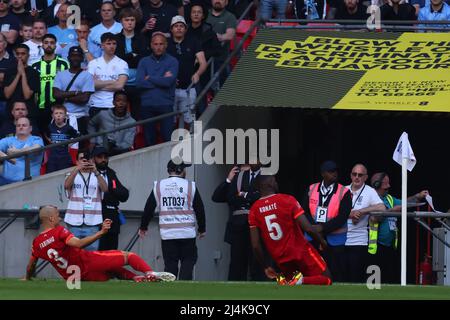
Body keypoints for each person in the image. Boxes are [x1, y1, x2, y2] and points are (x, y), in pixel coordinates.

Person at [24, 205, 176, 282]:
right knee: (128, 256)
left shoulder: (37, 242)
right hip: (87, 263)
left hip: (75, 277)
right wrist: (101, 232)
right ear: (51, 219)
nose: (59, 217)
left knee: (113, 269)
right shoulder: (59, 231)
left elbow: (31, 265)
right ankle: (151, 273)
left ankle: (137, 279)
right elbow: (78, 244)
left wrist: (27, 278)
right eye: (57, 215)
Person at [249, 175, 332, 285]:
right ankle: (299, 281)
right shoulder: (287, 200)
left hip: (280, 258)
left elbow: (255, 245)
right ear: (269, 184)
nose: (276, 183)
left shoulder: (254, 209)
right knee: (327, 279)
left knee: (295, 287)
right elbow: (308, 228)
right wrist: (323, 242)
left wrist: (266, 266)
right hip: (300, 251)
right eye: (274, 181)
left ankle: (291, 281)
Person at [139, 158, 206, 280]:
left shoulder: (158, 186)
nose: (185, 170)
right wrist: (202, 228)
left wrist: (143, 227)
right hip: (187, 234)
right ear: (180, 170)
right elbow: (200, 209)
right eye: (184, 168)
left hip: (168, 234)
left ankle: (170, 293)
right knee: (188, 261)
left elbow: (148, 208)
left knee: (170, 265)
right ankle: (184, 290)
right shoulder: (190, 186)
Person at [369, 172, 429, 283]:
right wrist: (391, 211)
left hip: (390, 247)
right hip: (375, 248)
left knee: (389, 279)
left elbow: (405, 203)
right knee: (375, 282)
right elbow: (375, 218)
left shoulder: (390, 198)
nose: (388, 187)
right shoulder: (370, 198)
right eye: (385, 184)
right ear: (377, 185)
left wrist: (418, 196)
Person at [300, 160, 352, 282]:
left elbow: (342, 217)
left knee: (335, 272)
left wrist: (322, 228)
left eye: (335, 171)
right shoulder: (311, 188)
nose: (334, 174)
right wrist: (313, 227)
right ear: (323, 174)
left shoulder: (344, 192)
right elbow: (304, 211)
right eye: (330, 171)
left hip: (335, 240)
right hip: (312, 237)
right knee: (311, 269)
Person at [343, 163, 385, 283]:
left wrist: (361, 212)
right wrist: (350, 214)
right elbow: (332, 211)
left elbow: (382, 207)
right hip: (340, 240)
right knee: (340, 279)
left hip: (359, 241)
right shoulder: (343, 189)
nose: (357, 177)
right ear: (350, 175)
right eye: (354, 174)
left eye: (360, 175)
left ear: (366, 177)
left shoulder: (369, 191)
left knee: (355, 278)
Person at [136, 32, 178, 146]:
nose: (158, 47)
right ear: (151, 45)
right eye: (155, 44)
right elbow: (139, 83)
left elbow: (168, 82)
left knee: (168, 139)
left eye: (161, 44)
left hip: (165, 104)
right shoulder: (144, 61)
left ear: (166, 45)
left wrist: (149, 78)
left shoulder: (173, 61)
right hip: (147, 105)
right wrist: (161, 80)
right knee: (149, 140)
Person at [226, 161, 266, 281]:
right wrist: (251, 196)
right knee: (237, 261)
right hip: (239, 225)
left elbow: (263, 197)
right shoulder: (239, 176)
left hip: (258, 224)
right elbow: (231, 198)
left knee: (256, 260)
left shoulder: (267, 177)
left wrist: (244, 195)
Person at [167, 15, 207, 129]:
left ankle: (191, 143)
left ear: (185, 29)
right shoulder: (165, 44)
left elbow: (203, 63)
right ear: (171, 29)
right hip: (171, 89)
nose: (179, 28)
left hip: (189, 88)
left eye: (181, 26)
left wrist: (197, 73)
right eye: (176, 26)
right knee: (171, 120)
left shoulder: (193, 41)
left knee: (190, 120)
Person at [63, 149, 108, 251]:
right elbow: (66, 186)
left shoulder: (99, 175)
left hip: (92, 222)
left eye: (87, 159)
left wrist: (96, 171)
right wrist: (76, 169)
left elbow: (105, 189)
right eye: (81, 159)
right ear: (77, 161)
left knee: (91, 255)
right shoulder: (71, 175)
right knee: (72, 253)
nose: (85, 161)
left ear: (92, 160)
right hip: (73, 221)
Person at [92, 146, 130, 250]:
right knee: (97, 252)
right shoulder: (89, 173)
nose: (103, 160)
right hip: (96, 217)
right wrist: (112, 191)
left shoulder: (111, 173)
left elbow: (124, 195)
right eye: (100, 157)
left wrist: (112, 190)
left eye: (105, 157)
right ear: (93, 159)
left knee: (112, 252)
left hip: (112, 217)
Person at [53, 46, 95, 136]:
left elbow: (84, 99)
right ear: (68, 58)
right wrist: (75, 93)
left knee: (79, 147)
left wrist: (64, 96)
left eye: (78, 55)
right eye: (73, 55)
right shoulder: (60, 74)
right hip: (62, 117)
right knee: (62, 145)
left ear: (82, 58)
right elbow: (56, 94)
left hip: (80, 117)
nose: (75, 58)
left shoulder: (87, 76)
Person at [32, 33, 69, 134]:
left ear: (55, 46)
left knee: (59, 135)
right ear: (42, 45)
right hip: (41, 107)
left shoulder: (63, 63)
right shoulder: (35, 65)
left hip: (59, 107)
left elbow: (68, 84)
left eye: (52, 43)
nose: (49, 45)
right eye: (46, 42)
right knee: (43, 134)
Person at [115, 7, 148, 120]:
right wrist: (132, 55)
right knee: (118, 117)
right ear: (121, 21)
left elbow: (142, 60)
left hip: (137, 84)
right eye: (126, 20)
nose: (129, 22)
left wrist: (127, 57)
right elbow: (118, 59)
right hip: (119, 83)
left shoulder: (142, 38)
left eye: (132, 20)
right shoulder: (116, 39)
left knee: (137, 116)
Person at [87, 32, 129, 118]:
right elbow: (89, 85)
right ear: (102, 46)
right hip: (95, 104)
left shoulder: (122, 63)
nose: (112, 46)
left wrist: (99, 84)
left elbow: (120, 86)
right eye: (108, 43)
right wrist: (112, 81)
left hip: (114, 106)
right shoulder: (93, 63)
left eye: (114, 43)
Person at [88, 91, 136, 155]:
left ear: (127, 103)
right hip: (101, 149)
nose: (121, 103)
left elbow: (128, 143)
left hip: (120, 152)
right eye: (118, 100)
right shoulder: (103, 114)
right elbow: (91, 124)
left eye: (124, 101)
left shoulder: (131, 122)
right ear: (113, 102)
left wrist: (114, 146)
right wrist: (94, 140)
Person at [0, 117, 44, 186]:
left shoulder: (36, 139)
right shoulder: (8, 140)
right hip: (5, 182)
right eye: (18, 125)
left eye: (24, 125)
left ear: (30, 128)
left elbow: (37, 148)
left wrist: (16, 152)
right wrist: (8, 158)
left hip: (28, 182)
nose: (21, 127)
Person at [206, 0, 236, 88]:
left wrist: (215, 37)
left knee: (223, 83)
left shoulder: (230, 17)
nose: (218, 1)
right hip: (203, 57)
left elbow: (230, 35)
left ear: (226, 2)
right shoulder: (204, 14)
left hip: (221, 58)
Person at [3, 44, 40, 118]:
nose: (20, 56)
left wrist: (23, 74)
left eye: (23, 54)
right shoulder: (9, 72)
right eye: (17, 54)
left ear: (28, 55)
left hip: (29, 111)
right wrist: (18, 74)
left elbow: (27, 95)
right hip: (11, 112)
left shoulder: (34, 73)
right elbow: (7, 95)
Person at [45, 105, 80, 173]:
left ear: (65, 116)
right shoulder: (50, 127)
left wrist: (70, 144)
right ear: (53, 116)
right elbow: (45, 134)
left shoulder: (68, 128)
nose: (58, 115)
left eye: (61, 113)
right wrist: (49, 140)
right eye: (56, 113)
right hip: (53, 157)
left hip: (65, 156)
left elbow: (78, 136)